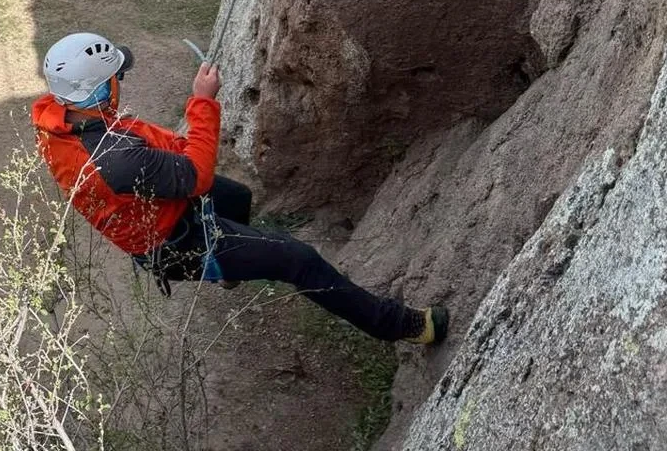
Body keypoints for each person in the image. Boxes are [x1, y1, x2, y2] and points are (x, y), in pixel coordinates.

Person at [32, 32, 448, 345]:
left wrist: (173, 145)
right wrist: (203, 103)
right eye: (116, 76)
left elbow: (142, 142)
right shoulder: (114, 157)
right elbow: (196, 176)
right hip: (176, 243)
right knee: (298, 259)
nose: (122, 80)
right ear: (101, 89)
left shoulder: (65, 121)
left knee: (238, 198)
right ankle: (403, 326)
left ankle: (233, 270)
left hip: (159, 210)